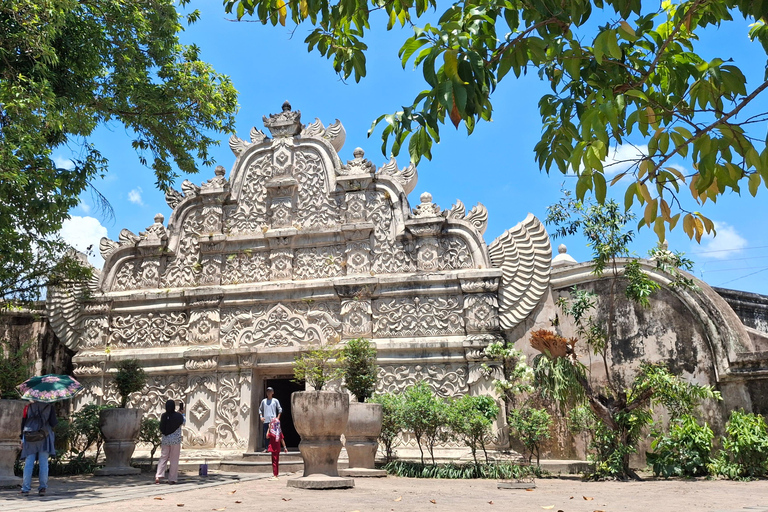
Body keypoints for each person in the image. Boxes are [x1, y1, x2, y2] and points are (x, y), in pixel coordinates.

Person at [19, 400, 58, 496]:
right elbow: (53, 423)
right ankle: (42, 488)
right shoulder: (49, 407)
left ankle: (25, 488)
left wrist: (22, 439)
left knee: (28, 463)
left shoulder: (28, 407)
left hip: (30, 437)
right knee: (44, 463)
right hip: (44, 436)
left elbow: (23, 422)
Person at [156, 399, 185, 484]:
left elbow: (161, 427)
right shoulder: (178, 416)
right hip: (175, 440)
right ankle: (172, 478)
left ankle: (158, 475)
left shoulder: (164, 416)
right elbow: (183, 422)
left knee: (163, 457)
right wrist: (182, 413)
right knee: (174, 459)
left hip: (166, 439)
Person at [258, 387, 282, 452]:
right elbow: (260, 409)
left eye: (270, 391)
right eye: (268, 391)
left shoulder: (275, 400)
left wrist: (278, 418)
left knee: (274, 434)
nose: (269, 393)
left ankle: (274, 448)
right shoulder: (264, 401)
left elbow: (280, 409)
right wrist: (261, 417)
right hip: (266, 420)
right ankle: (266, 448)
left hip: (273, 421)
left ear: (273, 392)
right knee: (266, 434)